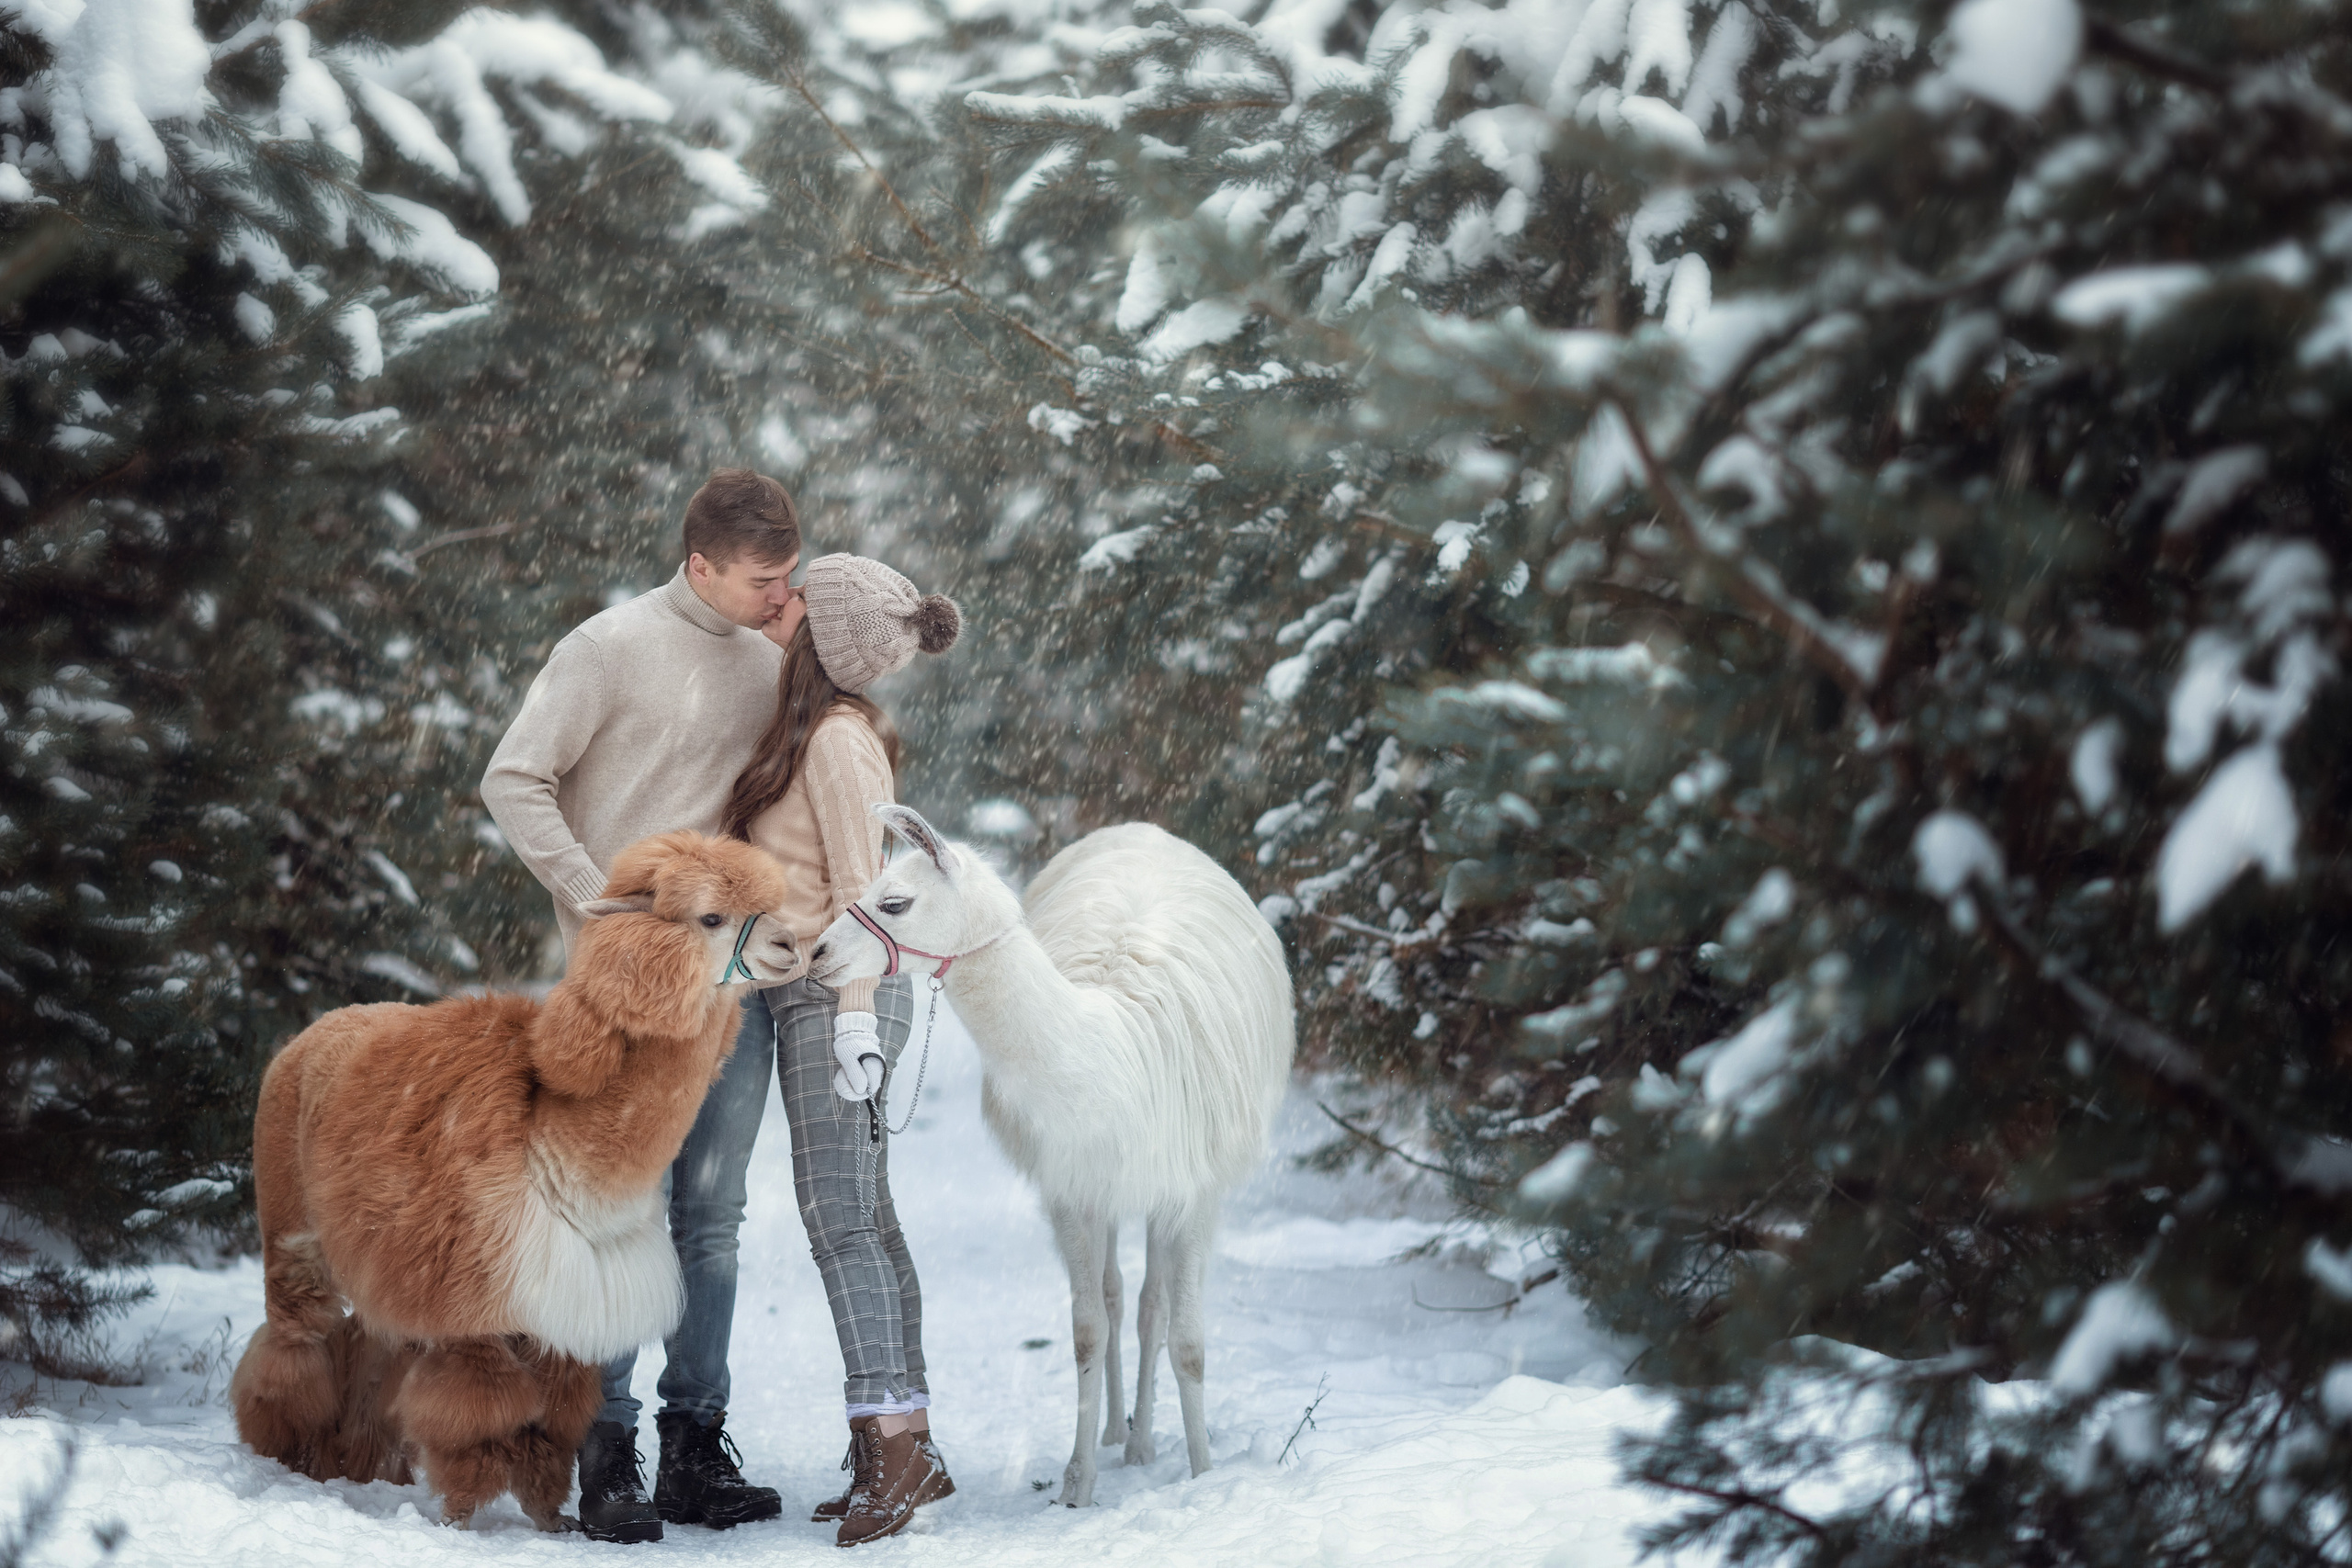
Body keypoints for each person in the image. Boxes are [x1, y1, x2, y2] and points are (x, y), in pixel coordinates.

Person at [480, 468, 801, 1544]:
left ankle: (694, 1448)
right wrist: (598, 898)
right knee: (613, 1214)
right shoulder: (605, 650)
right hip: (619, 997)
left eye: (788, 576)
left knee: (713, 1219)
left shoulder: (772, 663)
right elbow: (513, 778)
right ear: (699, 564)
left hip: (734, 989)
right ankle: (603, 1449)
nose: (776, 594)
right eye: (762, 578)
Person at [720, 553, 961, 1548]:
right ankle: (905, 1440)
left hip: (840, 997)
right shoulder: (808, 731)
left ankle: (892, 1449)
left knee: (843, 1221)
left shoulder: (838, 741)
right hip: (812, 994)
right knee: (864, 1214)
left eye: (800, 593)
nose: (781, 600)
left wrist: (856, 1016)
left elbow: (864, 896)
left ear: (828, 631)